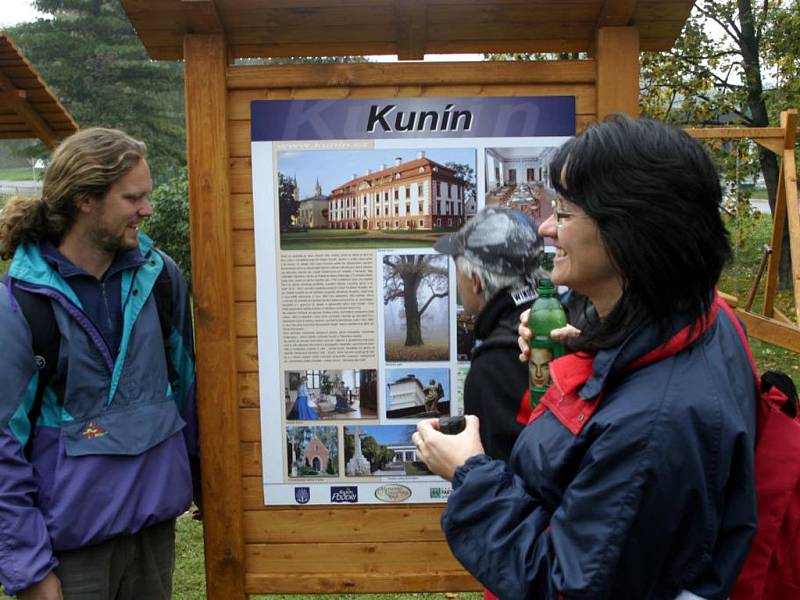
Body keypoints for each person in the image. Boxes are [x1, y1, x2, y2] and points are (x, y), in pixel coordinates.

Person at [413, 116, 757, 599]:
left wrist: (470, 473)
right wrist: (591, 338)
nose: (548, 228)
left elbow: (567, 585)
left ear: (630, 232)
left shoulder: (653, 429)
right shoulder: (700, 315)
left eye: (567, 213)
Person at [0, 128, 198, 599]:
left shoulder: (161, 279)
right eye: (133, 198)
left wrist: (210, 485)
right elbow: (3, 448)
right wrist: (29, 569)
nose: (146, 210)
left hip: (153, 535)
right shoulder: (21, 306)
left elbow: (188, 391)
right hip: (73, 553)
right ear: (84, 200)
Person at [434, 207, 546, 460]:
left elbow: (497, 477)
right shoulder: (558, 318)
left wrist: (455, 463)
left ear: (476, 280)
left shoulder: (494, 365)